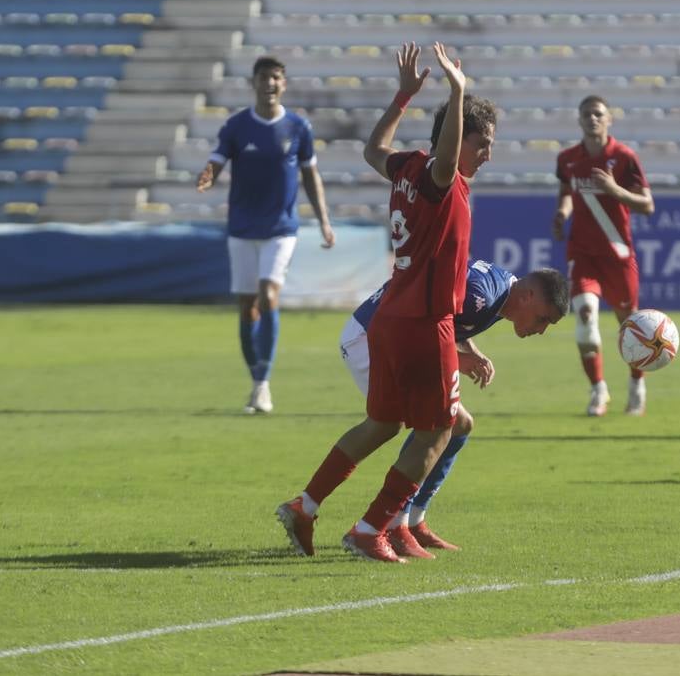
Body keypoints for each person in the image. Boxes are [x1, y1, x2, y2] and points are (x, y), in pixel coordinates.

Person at [276, 41, 497, 563]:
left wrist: (401, 98)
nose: (488, 151)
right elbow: (444, 155)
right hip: (425, 321)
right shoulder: (441, 177)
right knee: (440, 428)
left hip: (390, 316)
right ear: (455, 137)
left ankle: (305, 505)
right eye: (482, 141)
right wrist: (457, 88)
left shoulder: (405, 167)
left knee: (383, 423)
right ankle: (370, 528)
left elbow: (372, 150)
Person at [339, 259, 568, 553]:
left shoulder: (502, 295)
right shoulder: (481, 293)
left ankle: (409, 520)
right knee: (413, 425)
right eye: (543, 319)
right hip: (373, 339)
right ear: (528, 297)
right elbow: (427, 326)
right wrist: (462, 360)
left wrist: (470, 350)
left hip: (391, 339)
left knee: (456, 424)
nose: (541, 330)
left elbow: (453, 322)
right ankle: (377, 521)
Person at [196, 56, 335, 415]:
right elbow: (217, 158)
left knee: (269, 294)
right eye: (263, 78)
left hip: (281, 228)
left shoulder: (298, 127)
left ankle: (264, 384)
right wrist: (209, 173)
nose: (269, 84)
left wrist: (323, 220)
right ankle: (256, 379)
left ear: (283, 83)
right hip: (243, 228)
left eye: (276, 78)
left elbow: (310, 176)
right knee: (247, 306)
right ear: (253, 83)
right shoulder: (237, 127)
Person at [552, 95, 655, 417]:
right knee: (584, 316)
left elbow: (647, 205)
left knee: (630, 325)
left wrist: (615, 191)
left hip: (618, 254)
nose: (592, 119)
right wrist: (562, 212)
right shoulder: (568, 159)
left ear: (609, 119)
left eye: (598, 114)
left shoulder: (624, 158)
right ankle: (598, 390)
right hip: (582, 253)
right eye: (586, 114)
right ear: (579, 120)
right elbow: (567, 192)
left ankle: (637, 384)